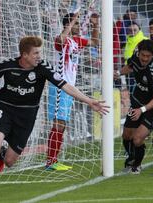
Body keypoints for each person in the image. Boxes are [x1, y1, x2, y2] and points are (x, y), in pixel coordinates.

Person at [0, 36, 109, 200]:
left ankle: (3, 155)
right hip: (6, 110)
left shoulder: (43, 68)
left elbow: (66, 86)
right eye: (36, 53)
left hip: (27, 117)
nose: (39, 56)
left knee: (10, 162)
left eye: (40, 52)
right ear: (24, 55)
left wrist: (89, 101)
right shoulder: (7, 66)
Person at [45, 12, 99, 171]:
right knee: (58, 122)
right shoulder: (61, 40)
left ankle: (53, 160)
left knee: (62, 123)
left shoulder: (77, 41)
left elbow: (95, 42)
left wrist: (96, 25)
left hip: (70, 88)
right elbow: (61, 40)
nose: (77, 26)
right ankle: (50, 161)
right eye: (75, 24)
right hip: (59, 86)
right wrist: (73, 20)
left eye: (77, 24)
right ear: (68, 25)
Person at [116, 39, 153, 174]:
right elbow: (130, 67)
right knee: (126, 135)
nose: (144, 58)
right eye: (143, 55)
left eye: (148, 56)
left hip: (152, 108)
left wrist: (142, 110)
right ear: (139, 52)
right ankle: (131, 157)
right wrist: (118, 73)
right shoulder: (136, 57)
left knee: (137, 139)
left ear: (152, 56)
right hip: (137, 102)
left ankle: (137, 165)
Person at [124, 21, 149, 96]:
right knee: (131, 93)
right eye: (130, 30)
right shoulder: (128, 41)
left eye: (135, 30)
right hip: (128, 70)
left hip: (139, 70)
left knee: (140, 93)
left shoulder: (144, 40)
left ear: (139, 30)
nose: (132, 32)